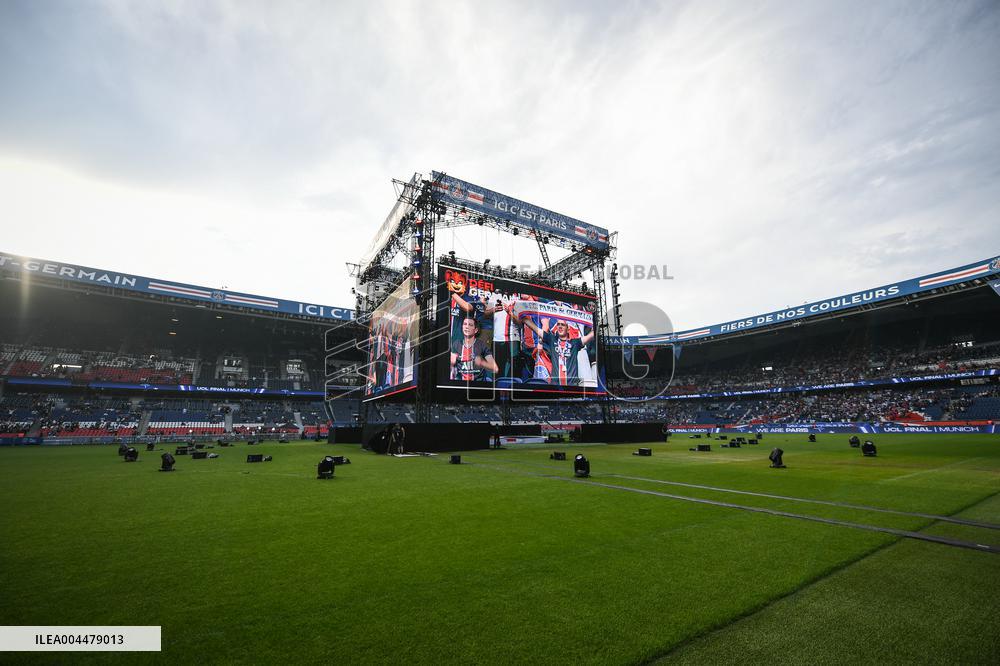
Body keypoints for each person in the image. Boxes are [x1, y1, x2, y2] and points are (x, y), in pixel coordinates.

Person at [522, 317, 595, 387]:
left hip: (572, 387)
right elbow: (536, 329)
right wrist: (524, 318)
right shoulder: (552, 339)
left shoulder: (575, 343)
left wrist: (595, 325)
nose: (560, 327)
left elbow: (589, 336)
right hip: (556, 387)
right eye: (558, 324)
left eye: (562, 325)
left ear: (568, 329)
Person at [450, 316, 498, 381]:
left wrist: (482, 363)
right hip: (460, 383)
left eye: (470, 325)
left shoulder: (482, 345)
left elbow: (495, 369)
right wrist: (451, 362)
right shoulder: (456, 344)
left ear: (475, 330)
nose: (467, 327)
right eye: (465, 324)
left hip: (477, 383)